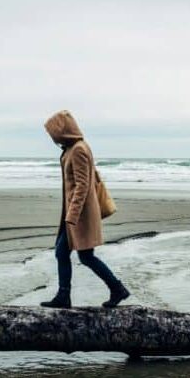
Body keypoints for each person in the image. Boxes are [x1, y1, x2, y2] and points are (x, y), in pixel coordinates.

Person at [40, 110, 130, 309]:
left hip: (79, 215)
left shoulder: (79, 149)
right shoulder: (72, 148)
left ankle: (114, 289)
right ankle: (69, 295)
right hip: (74, 214)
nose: (52, 137)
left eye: (53, 132)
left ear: (62, 130)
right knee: (67, 253)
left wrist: (72, 215)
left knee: (79, 255)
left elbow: (83, 185)